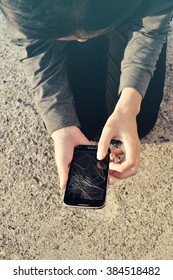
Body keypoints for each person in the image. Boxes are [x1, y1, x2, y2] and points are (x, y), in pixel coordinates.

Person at [0, 0, 173, 189]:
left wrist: (129, 107)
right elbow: (31, 45)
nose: (82, 39)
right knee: (82, 124)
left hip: (127, 10)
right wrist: (61, 125)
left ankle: (101, 27)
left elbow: (149, 29)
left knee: (141, 121)